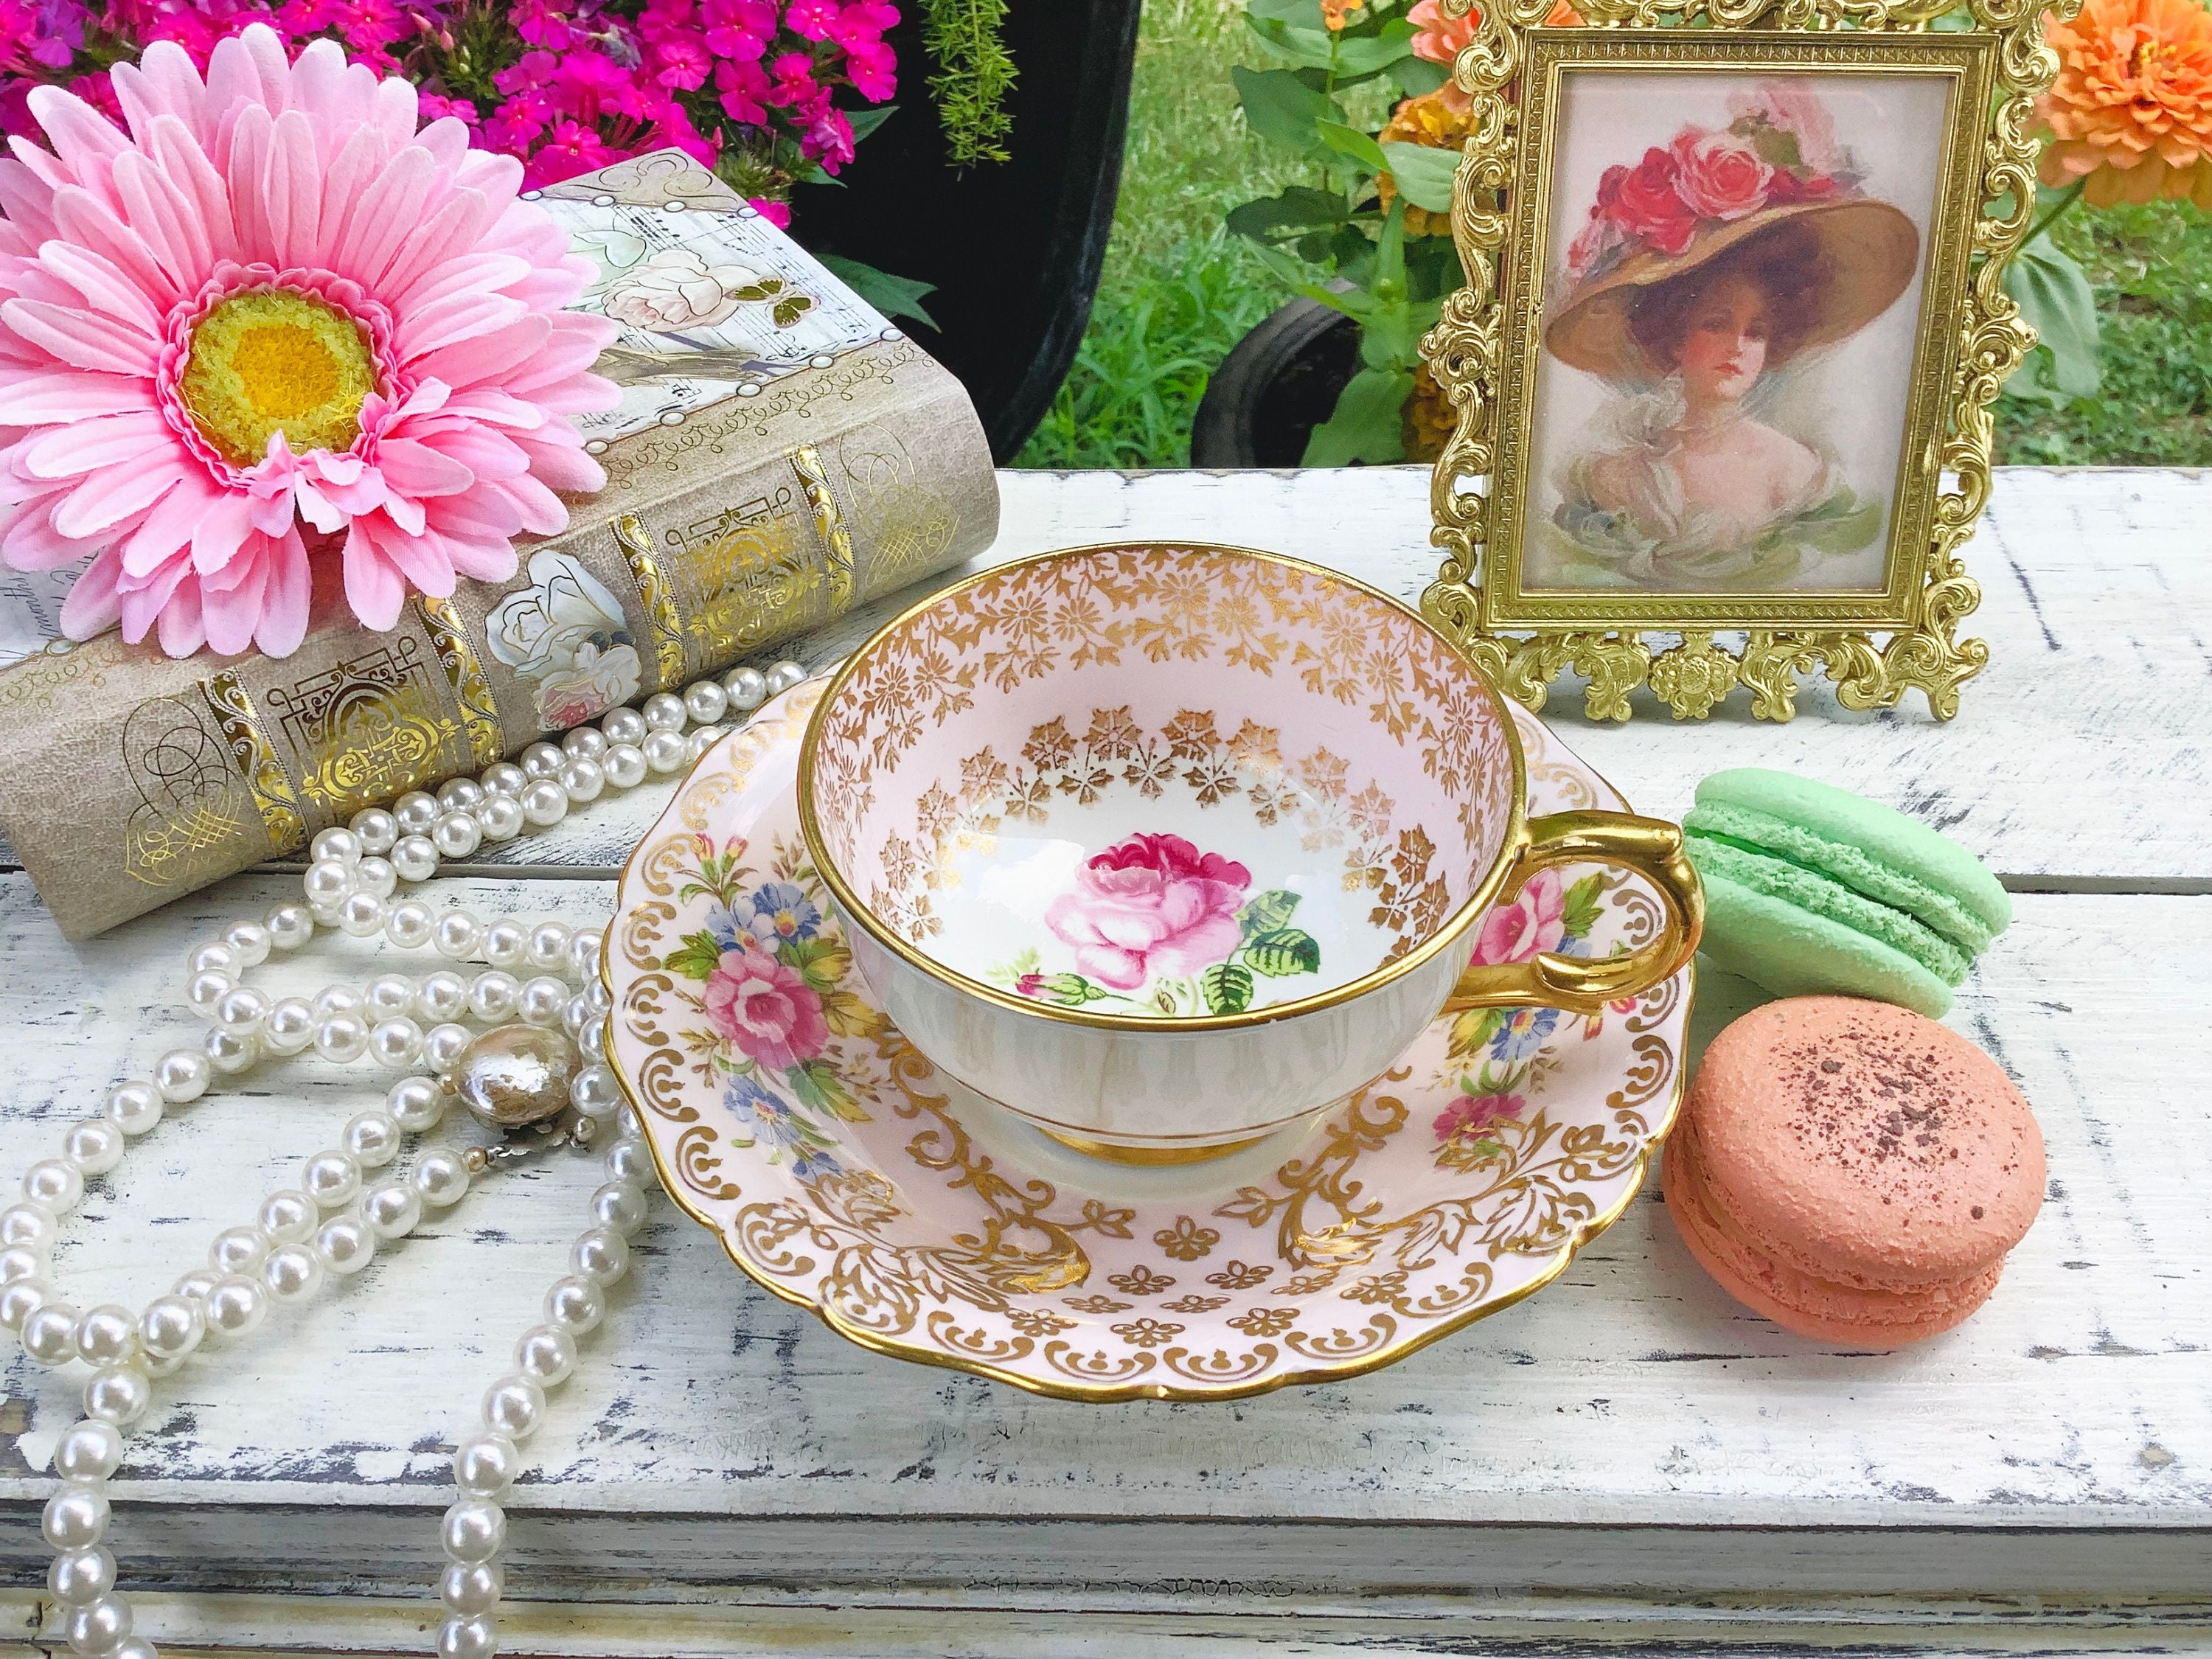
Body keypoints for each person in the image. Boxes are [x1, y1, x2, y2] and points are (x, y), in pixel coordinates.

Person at [1537, 93, 1921, 591]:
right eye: (1716, 324)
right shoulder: (1616, 476)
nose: (1738, 346)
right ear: (1674, 337)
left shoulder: (1792, 470)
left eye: (1756, 332)